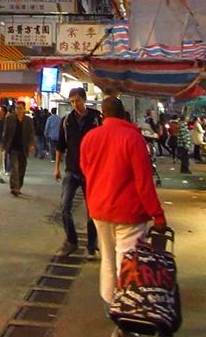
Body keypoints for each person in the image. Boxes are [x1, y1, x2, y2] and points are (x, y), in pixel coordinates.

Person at [81, 96, 166, 308]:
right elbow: (144, 181)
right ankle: (128, 308)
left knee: (108, 260)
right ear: (123, 114)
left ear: (103, 114)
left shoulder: (90, 138)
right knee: (128, 262)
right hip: (129, 213)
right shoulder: (133, 138)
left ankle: (111, 305)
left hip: (99, 209)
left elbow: (86, 170)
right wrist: (157, 214)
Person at [54, 87, 102, 258]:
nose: (75, 104)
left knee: (92, 211)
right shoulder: (66, 121)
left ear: (84, 100)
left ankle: (91, 246)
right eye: (72, 102)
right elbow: (60, 146)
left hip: (91, 172)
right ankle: (71, 241)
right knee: (64, 207)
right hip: (72, 169)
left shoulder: (96, 118)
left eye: (78, 101)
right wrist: (57, 167)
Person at [1, 100, 35, 195]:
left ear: (24, 109)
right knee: (14, 168)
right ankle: (14, 187)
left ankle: (19, 186)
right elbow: (6, 132)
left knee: (21, 169)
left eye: (20, 108)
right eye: (16, 108)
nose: (18, 110)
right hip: (13, 148)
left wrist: (32, 144)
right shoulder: (10, 119)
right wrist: (3, 144)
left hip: (23, 148)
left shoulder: (29, 120)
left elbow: (32, 134)